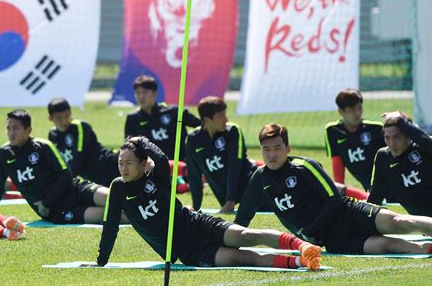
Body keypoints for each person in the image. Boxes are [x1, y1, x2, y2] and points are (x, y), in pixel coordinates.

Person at [91, 136, 322, 270]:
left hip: (198, 224)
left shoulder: (157, 177)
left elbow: (161, 159)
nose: (123, 167)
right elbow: (110, 226)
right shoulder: (118, 187)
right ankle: (301, 262)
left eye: (129, 162)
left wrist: (140, 140)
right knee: (241, 258)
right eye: (121, 162)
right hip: (187, 250)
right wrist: (101, 261)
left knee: (246, 236)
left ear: (142, 164)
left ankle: (304, 246)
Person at [235, 123, 432, 256]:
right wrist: (230, 240)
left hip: (351, 213)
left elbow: (334, 200)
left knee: (398, 222)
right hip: (334, 240)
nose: (271, 155)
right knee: (390, 246)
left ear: (288, 149)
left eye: (277, 148)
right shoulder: (259, 179)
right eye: (266, 149)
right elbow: (243, 217)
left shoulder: (304, 166)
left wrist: (309, 231)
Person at [0, 109, 121, 224]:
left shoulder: (42, 146)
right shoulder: (4, 154)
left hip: (76, 190)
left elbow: (66, 175)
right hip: (56, 211)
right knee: (107, 215)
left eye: (16, 128)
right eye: (8, 128)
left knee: (111, 197)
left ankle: (141, 208)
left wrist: (46, 202)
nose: (11, 132)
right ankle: (139, 216)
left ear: (28, 130)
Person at [124, 75, 201, 193]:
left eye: (144, 92)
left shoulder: (174, 112)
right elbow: (129, 147)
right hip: (154, 167)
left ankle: (191, 179)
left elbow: (202, 127)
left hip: (181, 165)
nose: (140, 97)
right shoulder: (133, 118)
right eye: (137, 93)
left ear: (155, 94)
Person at [185, 96, 261, 213]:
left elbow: (234, 166)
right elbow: (194, 174)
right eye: (221, 115)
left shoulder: (233, 130)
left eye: (225, 114)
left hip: (252, 189)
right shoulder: (192, 139)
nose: (226, 119)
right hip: (226, 199)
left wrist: (230, 201)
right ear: (207, 120)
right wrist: (196, 206)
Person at [368, 111, 432, 221]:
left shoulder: (425, 147)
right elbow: (375, 195)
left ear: (409, 135)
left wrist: (399, 120)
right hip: (426, 225)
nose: (391, 143)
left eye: (397, 137)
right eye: (387, 137)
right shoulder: (383, 156)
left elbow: (424, 139)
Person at [47, 97, 119, 187]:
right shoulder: (52, 135)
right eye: (59, 118)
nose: (64, 121)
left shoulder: (80, 126)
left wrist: (62, 183)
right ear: (50, 118)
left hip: (111, 167)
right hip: (96, 180)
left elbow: (77, 160)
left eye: (67, 115)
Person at [324, 89, 385, 193]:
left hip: (388, 182)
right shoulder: (332, 131)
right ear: (340, 111)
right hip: (370, 187)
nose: (357, 114)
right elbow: (337, 163)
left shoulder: (377, 129)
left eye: (359, 108)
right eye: (351, 110)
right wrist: (341, 193)